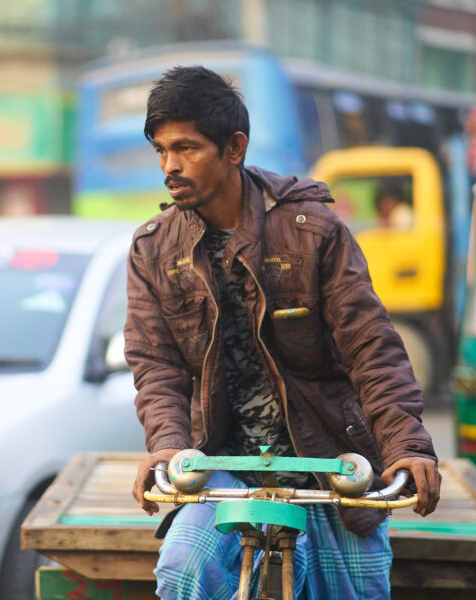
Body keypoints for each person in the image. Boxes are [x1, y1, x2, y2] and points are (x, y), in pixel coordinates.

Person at [123, 66, 441, 599]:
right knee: (182, 573)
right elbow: (156, 367)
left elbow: (370, 347)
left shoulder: (313, 230)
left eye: (186, 148)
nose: (169, 166)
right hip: (219, 462)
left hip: (326, 458)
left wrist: (407, 443)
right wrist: (167, 449)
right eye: (160, 150)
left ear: (234, 148)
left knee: (355, 592)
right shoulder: (153, 248)